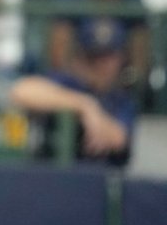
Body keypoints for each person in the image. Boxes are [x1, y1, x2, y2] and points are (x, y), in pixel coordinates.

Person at [9, 16, 136, 166]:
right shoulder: (69, 83)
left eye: (109, 57)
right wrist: (85, 105)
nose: (102, 65)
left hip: (100, 176)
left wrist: (97, 118)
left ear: (122, 58)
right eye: (94, 57)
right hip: (52, 173)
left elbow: (119, 139)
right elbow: (20, 91)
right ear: (80, 57)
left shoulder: (122, 99)